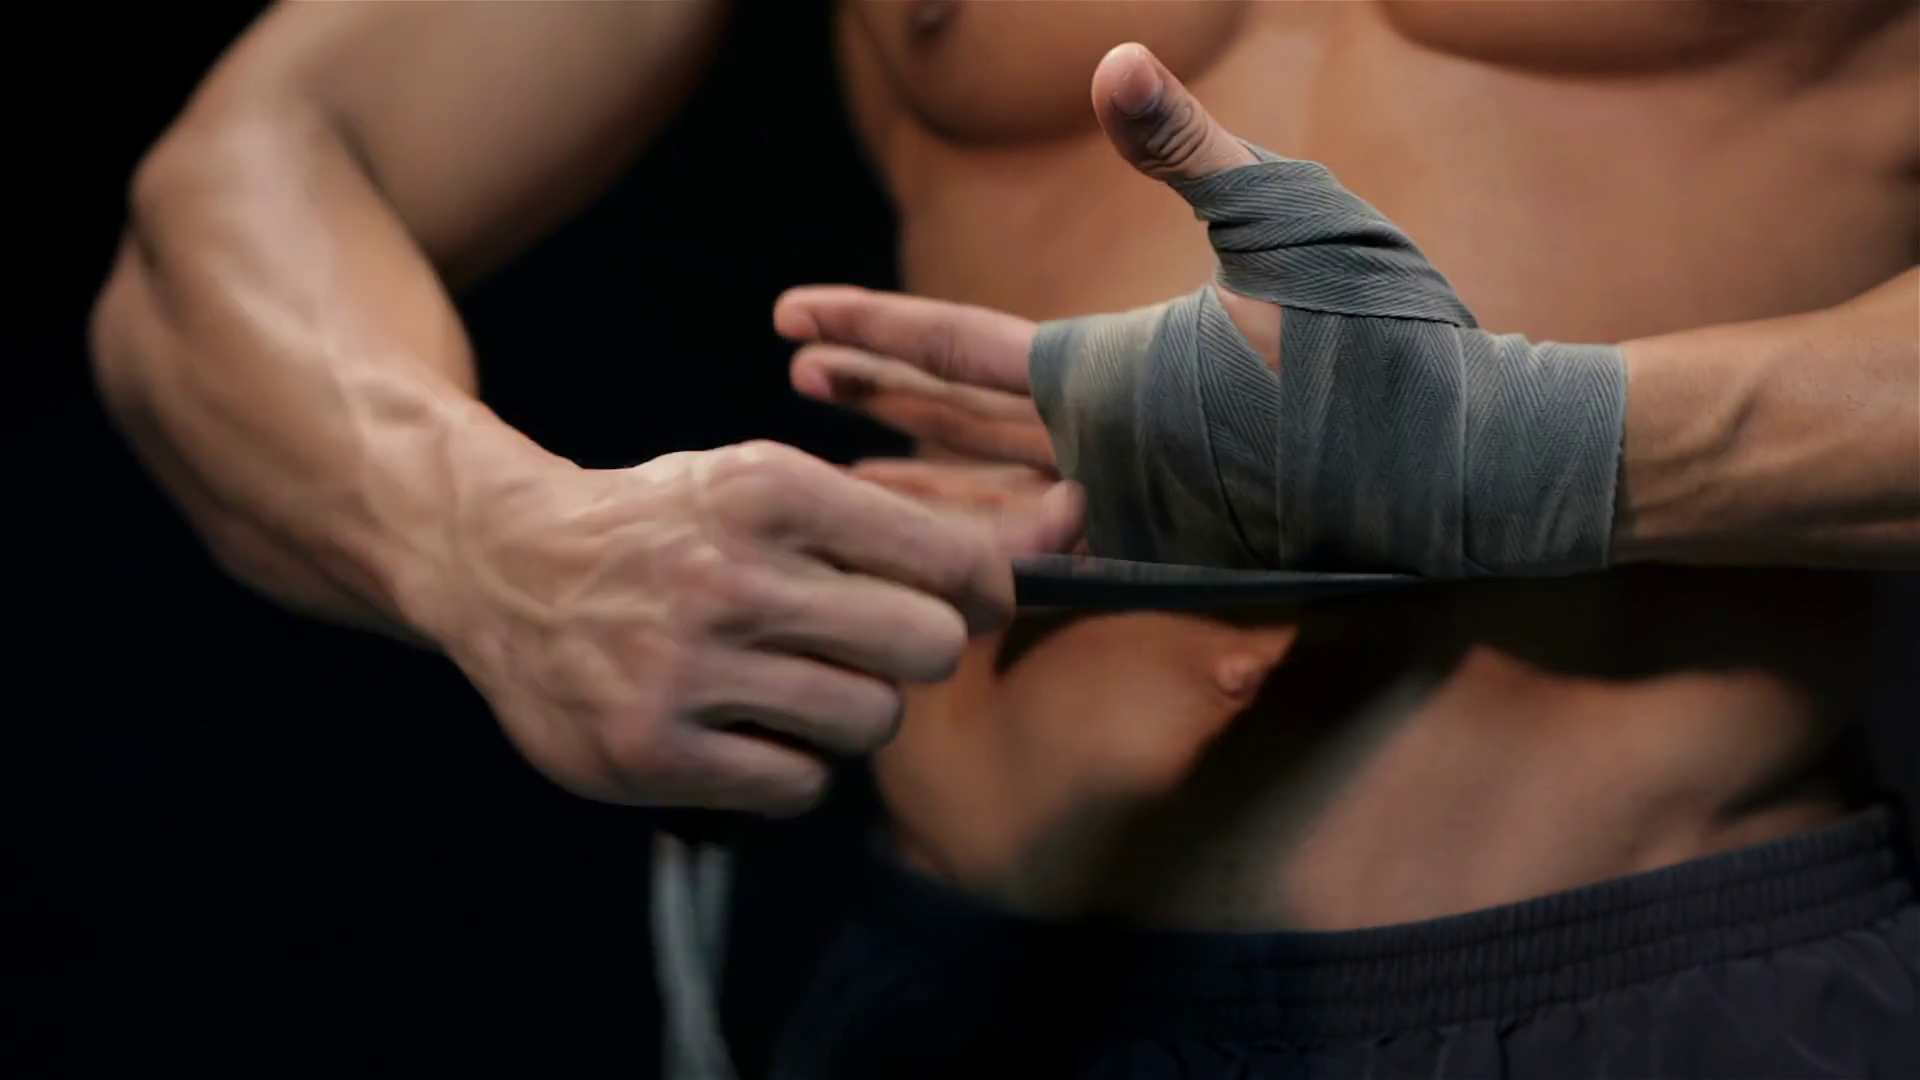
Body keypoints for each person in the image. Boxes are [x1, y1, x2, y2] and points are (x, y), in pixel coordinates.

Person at [91, 1, 1916, 1077]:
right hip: (970, 1010)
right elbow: (250, 170)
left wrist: (1526, 448)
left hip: (1657, 991)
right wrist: (484, 534)